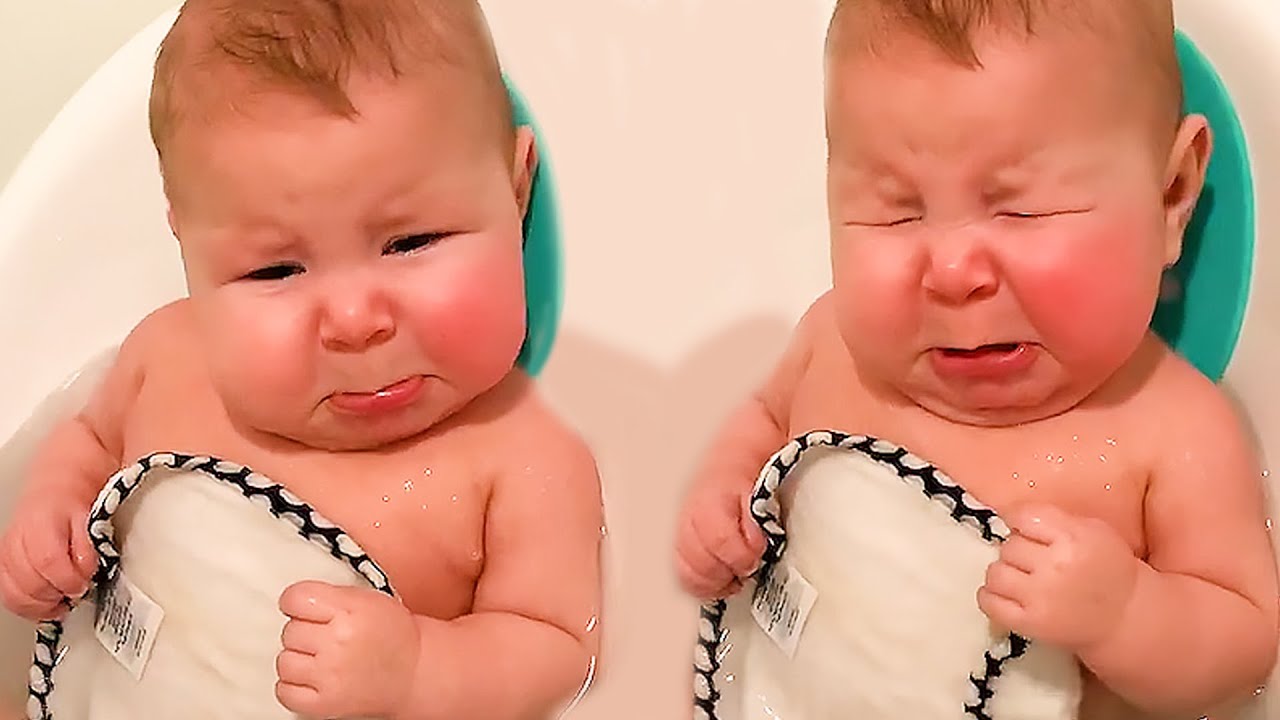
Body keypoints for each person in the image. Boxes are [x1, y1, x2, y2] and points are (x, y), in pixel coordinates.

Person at [0, 2, 603, 718]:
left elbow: (557, 647)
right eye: (276, 270)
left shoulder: (523, 463)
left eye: (411, 242)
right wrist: (54, 509)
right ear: (186, 240)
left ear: (516, 186)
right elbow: (92, 438)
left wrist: (420, 669)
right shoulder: (168, 356)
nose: (354, 322)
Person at [675, 1, 1278, 716]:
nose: (953, 270)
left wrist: (1127, 616)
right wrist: (725, 496)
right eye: (897, 210)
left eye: (1021, 210)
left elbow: (1244, 648)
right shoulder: (832, 340)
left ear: (1172, 193)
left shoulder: (1174, 434)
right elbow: (765, 416)